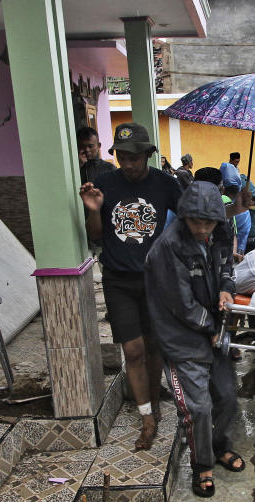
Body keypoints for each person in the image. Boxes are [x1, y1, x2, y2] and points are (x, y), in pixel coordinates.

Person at [79, 122, 181, 450]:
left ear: (148, 155)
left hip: (154, 279)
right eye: (123, 157)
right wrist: (93, 211)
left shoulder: (166, 184)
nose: (129, 164)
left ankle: (152, 400)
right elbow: (95, 236)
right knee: (133, 349)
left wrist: (233, 209)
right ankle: (147, 418)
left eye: (135, 157)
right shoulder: (105, 183)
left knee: (153, 347)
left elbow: (192, 218)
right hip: (118, 279)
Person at [145, 181, 244, 498]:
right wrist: (212, 329)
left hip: (212, 328)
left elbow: (227, 264)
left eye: (209, 221)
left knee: (228, 396)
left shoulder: (220, 231)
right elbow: (181, 304)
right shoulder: (168, 247)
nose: (202, 228)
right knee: (198, 407)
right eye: (195, 221)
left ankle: (218, 447)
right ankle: (202, 465)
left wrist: (227, 287)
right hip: (181, 336)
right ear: (184, 215)